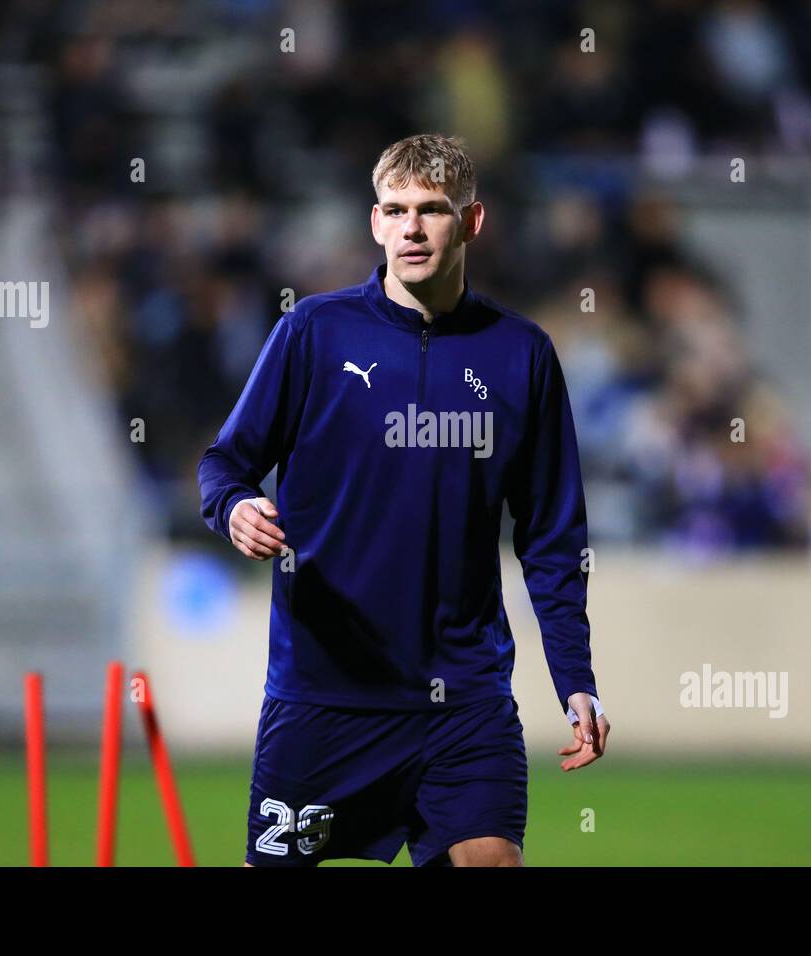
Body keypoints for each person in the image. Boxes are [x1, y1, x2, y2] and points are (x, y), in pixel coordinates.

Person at [198, 133, 609, 867]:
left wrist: (575, 679)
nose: (411, 228)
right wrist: (233, 508)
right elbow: (224, 463)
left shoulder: (522, 354)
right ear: (375, 222)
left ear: (472, 222)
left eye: (432, 210)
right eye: (395, 209)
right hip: (325, 698)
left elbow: (551, 536)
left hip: (466, 701)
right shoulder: (312, 334)